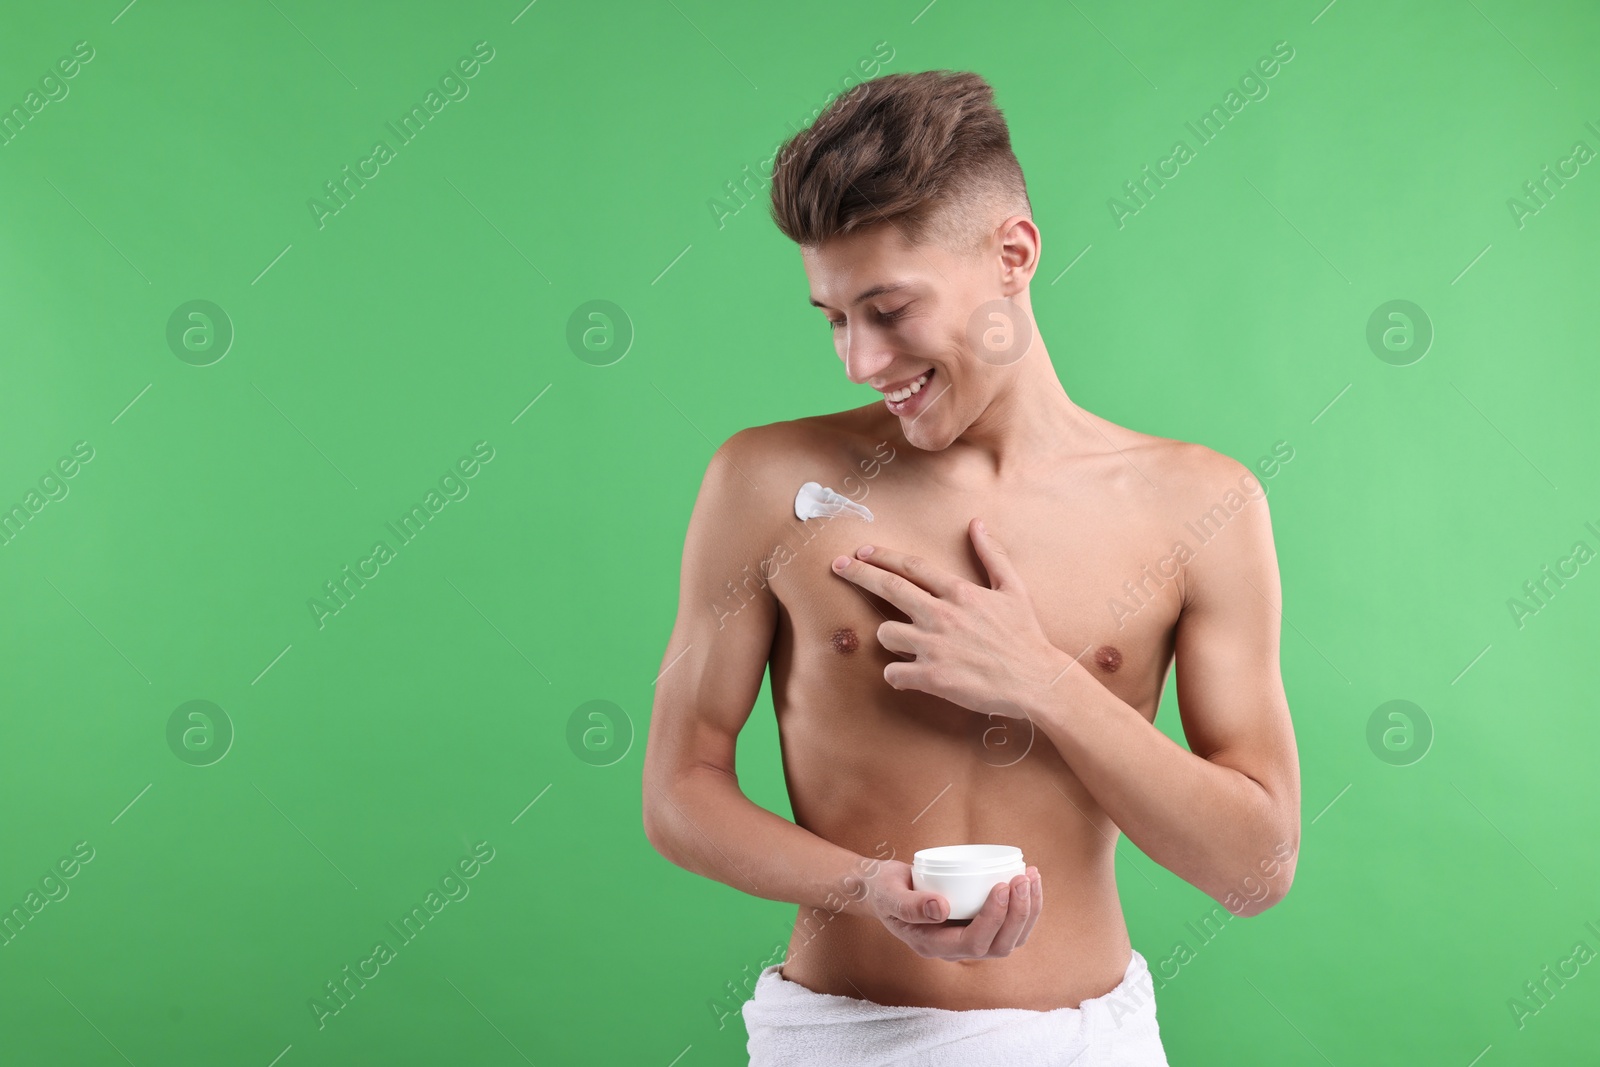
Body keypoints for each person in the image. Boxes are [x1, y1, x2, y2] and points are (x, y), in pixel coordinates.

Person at [642, 69, 1300, 1066]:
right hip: (841, 1038)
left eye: (889, 308)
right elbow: (679, 789)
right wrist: (861, 885)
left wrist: (1043, 682)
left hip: (1090, 1043)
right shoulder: (764, 481)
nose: (858, 359)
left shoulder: (1199, 505)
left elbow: (1255, 866)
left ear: (1011, 254)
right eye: (832, 315)